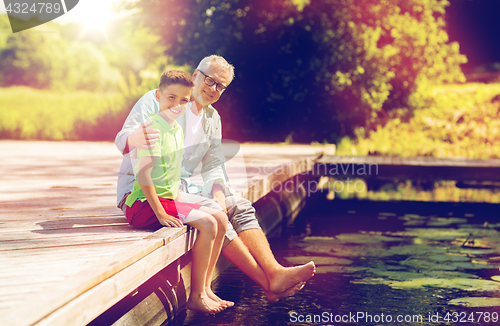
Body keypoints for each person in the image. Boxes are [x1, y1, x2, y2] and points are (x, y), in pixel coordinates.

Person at [116, 55, 315, 303]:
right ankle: (267, 282)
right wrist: (134, 138)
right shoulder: (164, 98)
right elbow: (122, 136)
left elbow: (213, 165)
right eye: (210, 80)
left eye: (221, 86)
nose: (213, 89)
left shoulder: (212, 119)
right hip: (148, 193)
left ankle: (274, 271)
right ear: (196, 74)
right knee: (215, 214)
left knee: (237, 204)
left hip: (181, 189)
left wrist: (219, 191)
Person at [124, 69, 230, 314]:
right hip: (144, 206)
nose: (177, 105)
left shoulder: (176, 130)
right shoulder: (152, 129)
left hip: (168, 200)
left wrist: (184, 205)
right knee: (209, 225)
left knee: (221, 219)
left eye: (183, 100)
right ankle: (195, 296)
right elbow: (144, 175)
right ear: (158, 96)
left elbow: (172, 176)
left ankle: (205, 288)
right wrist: (161, 213)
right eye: (171, 98)